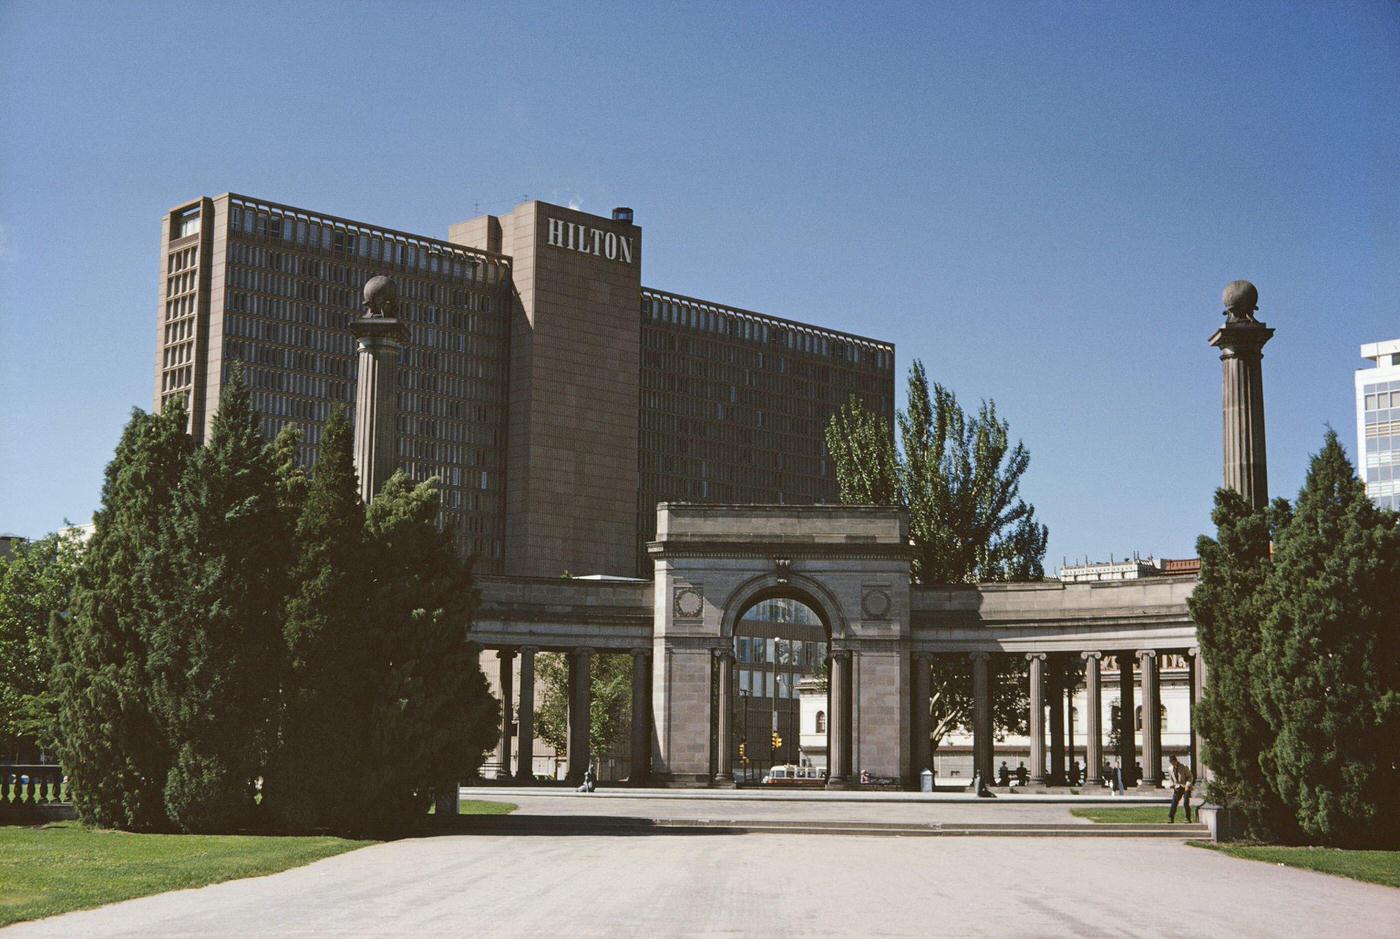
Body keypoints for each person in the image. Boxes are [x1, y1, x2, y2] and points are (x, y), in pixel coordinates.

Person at [1167, 755, 1193, 822]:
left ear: (1176, 760)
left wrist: (1187, 785)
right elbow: (1171, 778)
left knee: (1185, 802)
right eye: (1171, 762)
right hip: (1177, 787)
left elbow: (1190, 777)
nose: (1172, 763)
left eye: (1173, 761)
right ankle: (1170, 818)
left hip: (1185, 786)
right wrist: (1172, 785)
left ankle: (1187, 818)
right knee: (1174, 802)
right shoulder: (1170, 769)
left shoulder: (1184, 766)